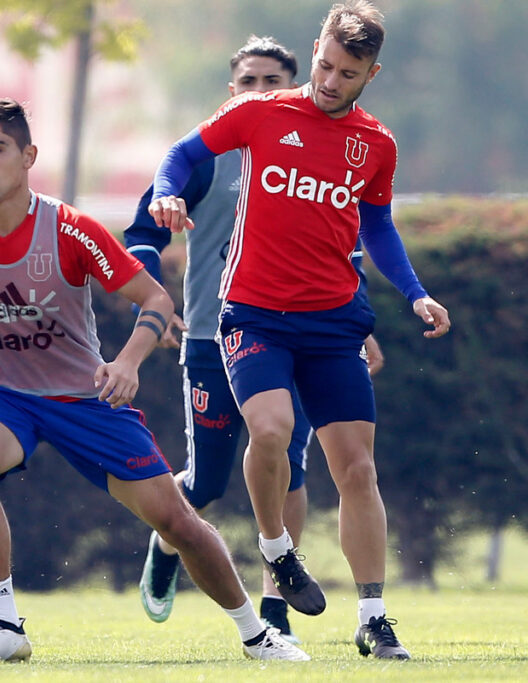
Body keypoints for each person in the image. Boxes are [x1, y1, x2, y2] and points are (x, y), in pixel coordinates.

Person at [0, 98, 309, 663]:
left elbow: (155, 298)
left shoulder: (70, 229)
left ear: (27, 157)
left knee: (178, 522)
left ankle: (256, 634)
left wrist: (127, 362)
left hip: (85, 400)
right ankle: (4, 624)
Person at [147, 0, 452, 660]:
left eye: (348, 72)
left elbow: (377, 226)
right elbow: (180, 155)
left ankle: (372, 615)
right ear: (315, 48)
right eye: (324, 64)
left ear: (373, 72)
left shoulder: (376, 144)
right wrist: (167, 193)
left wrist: (416, 293)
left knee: (358, 469)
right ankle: (277, 550)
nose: (329, 81)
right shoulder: (262, 112)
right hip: (253, 313)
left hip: (334, 323)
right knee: (273, 430)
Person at [127, 35, 384, 643]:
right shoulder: (209, 158)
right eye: (250, 83)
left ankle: (275, 614)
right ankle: (170, 540)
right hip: (213, 336)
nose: (262, 93)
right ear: (231, 93)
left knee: (289, 462)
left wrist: (361, 326)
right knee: (208, 482)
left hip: (291, 332)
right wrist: (156, 307)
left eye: (274, 82)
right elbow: (143, 231)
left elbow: (344, 246)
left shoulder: (319, 151)